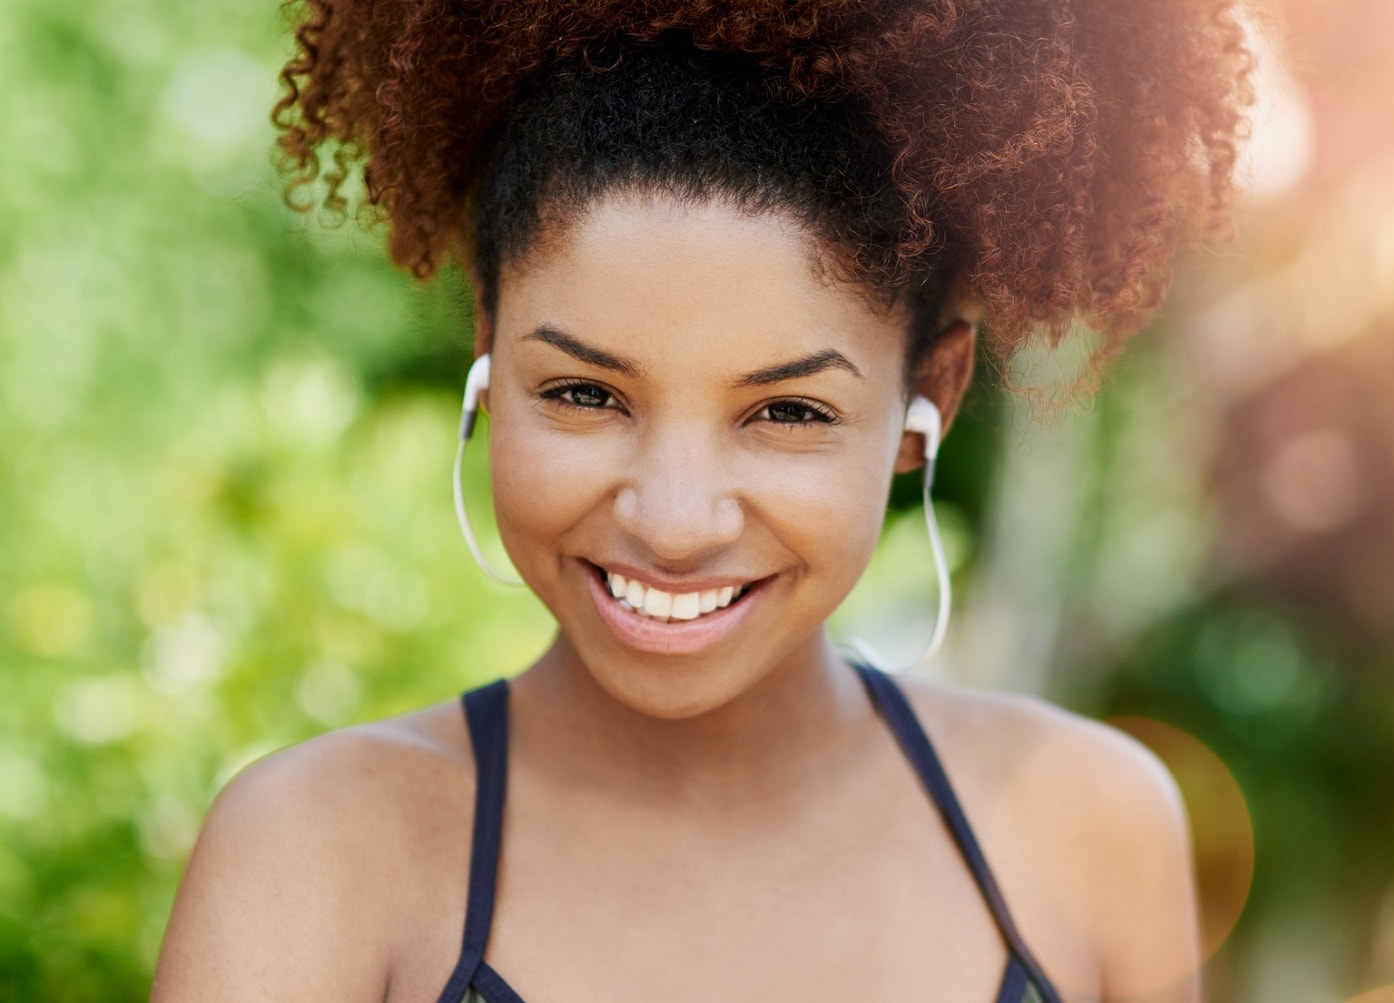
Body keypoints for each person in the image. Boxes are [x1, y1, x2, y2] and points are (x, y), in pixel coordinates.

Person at [151, 2, 1252, 1001]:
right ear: (487, 346)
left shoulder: (1092, 828)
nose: (675, 522)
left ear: (933, 398)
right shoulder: (314, 855)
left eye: (788, 413)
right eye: (586, 392)